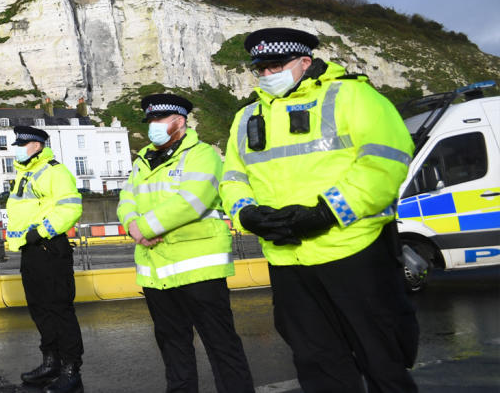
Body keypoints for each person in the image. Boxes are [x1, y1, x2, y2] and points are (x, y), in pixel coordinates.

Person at [220, 27, 418, 393]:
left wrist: (328, 212)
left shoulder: (353, 95)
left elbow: (385, 162)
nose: (266, 74)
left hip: (354, 251)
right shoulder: (245, 117)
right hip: (288, 261)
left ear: (305, 62)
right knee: (317, 365)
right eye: (260, 68)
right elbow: (231, 178)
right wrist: (247, 214)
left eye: (275, 65)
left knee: (382, 361)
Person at [119, 93, 254, 393]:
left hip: (199, 270)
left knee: (221, 346)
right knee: (172, 346)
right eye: (151, 120)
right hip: (157, 272)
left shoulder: (202, 154)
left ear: (179, 121)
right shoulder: (143, 160)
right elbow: (126, 198)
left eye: (159, 119)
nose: (153, 125)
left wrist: (143, 226)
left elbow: (192, 200)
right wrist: (132, 225)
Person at [5, 126, 85, 393]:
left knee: (59, 310)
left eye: (21, 143)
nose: (16, 147)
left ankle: (71, 369)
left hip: (49, 248)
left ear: (37, 146)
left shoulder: (54, 171)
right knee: (39, 309)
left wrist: (39, 232)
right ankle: (51, 361)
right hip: (31, 251)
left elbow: (71, 208)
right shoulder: (23, 174)